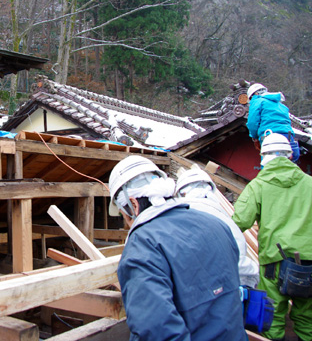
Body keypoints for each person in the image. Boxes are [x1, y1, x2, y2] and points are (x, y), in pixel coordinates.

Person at [109, 156, 246, 340]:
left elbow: (156, 330)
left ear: (133, 205)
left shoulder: (143, 245)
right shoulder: (216, 224)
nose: (127, 223)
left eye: (123, 215)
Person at [233, 133, 312, 341]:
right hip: (310, 261)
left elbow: (238, 222)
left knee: (273, 316)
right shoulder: (310, 183)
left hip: (275, 262)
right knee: (308, 319)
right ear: (290, 155)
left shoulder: (258, 186)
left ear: (263, 156)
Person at [174, 167, 259, 288]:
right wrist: (254, 274)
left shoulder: (174, 221)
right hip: (223, 289)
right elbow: (238, 260)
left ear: (180, 193)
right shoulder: (224, 220)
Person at [246, 82, 300, 162]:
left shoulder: (257, 101)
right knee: (289, 165)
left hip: (270, 137)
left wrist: (255, 138)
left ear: (254, 95)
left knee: (269, 166)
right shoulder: (281, 105)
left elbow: (252, 123)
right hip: (289, 137)